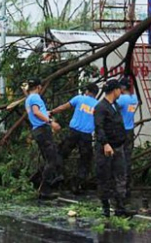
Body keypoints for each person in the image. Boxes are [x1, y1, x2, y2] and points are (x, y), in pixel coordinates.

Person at [94, 79, 136, 218]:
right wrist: (105, 143)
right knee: (105, 176)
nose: (121, 92)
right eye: (119, 89)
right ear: (115, 90)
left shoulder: (116, 106)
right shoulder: (101, 107)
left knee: (121, 175)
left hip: (119, 146)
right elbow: (99, 127)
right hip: (106, 148)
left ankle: (120, 207)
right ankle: (105, 207)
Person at [49, 83, 99, 194]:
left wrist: (51, 112)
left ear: (87, 91)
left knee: (61, 153)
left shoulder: (79, 98)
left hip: (73, 132)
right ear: (96, 94)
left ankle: (59, 175)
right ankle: (76, 184)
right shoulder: (98, 105)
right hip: (86, 135)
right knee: (85, 160)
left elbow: (63, 107)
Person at [25, 78, 63, 200]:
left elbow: (36, 112)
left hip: (37, 130)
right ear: (39, 87)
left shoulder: (28, 99)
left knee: (49, 159)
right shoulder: (35, 97)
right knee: (51, 160)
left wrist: (46, 113)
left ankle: (46, 184)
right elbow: (36, 112)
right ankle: (45, 190)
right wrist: (50, 122)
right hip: (42, 129)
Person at [116, 77, 138, 199]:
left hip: (121, 129)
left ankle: (120, 187)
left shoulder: (122, 99)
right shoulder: (134, 98)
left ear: (122, 88)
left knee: (119, 158)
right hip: (130, 129)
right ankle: (128, 185)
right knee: (128, 157)